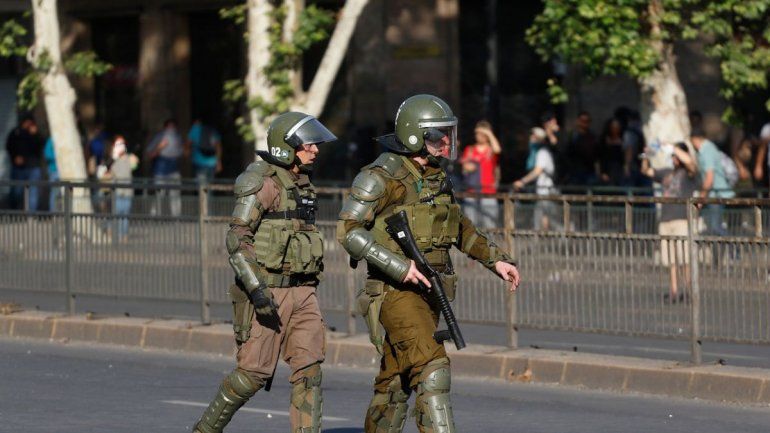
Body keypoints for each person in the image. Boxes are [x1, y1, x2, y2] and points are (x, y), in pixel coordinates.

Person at [337, 94, 520, 433]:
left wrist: (497, 261)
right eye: (438, 134)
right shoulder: (382, 176)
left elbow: (460, 228)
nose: (447, 141)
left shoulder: (436, 176)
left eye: (448, 133)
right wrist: (399, 266)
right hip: (393, 293)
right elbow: (347, 231)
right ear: (414, 136)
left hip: (430, 292)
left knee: (394, 385)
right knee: (433, 370)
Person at [192, 112, 337, 433]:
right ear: (288, 146)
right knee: (252, 375)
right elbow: (237, 237)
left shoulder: (302, 182)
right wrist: (256, 289)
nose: (315, 150)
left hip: (304, 292)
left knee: (310, 373)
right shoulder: (263, 181)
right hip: (268, 291)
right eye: (309, 144)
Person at [641, 142, 698, 303]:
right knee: (671, 260)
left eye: (675, 156)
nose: (673, 158)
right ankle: (674, 291)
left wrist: (673, 147)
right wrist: (647, 155)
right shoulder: (667, 172)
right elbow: (646, 170)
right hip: (666, 219)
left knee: (685, 259)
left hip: (682, 219)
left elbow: (690, 162)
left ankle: (689, 291)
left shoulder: (689, 174)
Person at [691, 128, 735, 236]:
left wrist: (701, 199)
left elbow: (709, 177)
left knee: (716, 227)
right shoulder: (706, 150)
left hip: (717, 194)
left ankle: (735, 250)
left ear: (695, 139)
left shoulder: (707, 150)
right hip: (713, 194)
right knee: (714, 227)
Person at [459, 120, 501, 228]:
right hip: (472, 191)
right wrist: (468, 167)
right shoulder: (470, 149)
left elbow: (498, 149)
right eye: (477, 133)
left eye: (482, 134)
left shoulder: (491, 150)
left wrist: (489, 133)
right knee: (472, 226)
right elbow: (464, 166)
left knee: (490, 225)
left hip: (488, 192)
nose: (479, 136)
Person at [101, 136, 138, 241]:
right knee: (115, 213)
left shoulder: (129, 158)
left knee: (124, 215)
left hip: (126, 192)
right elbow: (106, 174)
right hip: (117, 192)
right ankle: (111, 231)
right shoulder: (112, 160)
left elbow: (134, 165)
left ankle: (124, 235)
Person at [146, 119, 184, 216]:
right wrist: (160, 147)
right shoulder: (159, 137)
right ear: (165, 128)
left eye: (173, 127)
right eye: (169, 127)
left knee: (175, 194)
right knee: (159, 193)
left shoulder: (178, 137)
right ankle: (156, 215)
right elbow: (149, 154)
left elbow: (182, 153)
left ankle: (176, 217)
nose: (171, 129)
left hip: (174, 169)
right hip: (160, 169)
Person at [6, 116, 44, 211]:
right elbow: (9, 146)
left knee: (33, 192)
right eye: (27, 122)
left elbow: (41, 146)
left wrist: (35, 135)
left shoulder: (35, 134)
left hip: (33, 167)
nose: (29, 125)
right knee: (16, 191)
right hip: (18, 168)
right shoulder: (15, 132)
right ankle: (13, 213)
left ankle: (32, 214)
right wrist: (14, 157)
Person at [565, 110, 599, 186]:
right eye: (582, 121)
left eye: (587, 121)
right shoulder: (572, 137)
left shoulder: (593, 138)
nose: (584, 123)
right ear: (578, 121)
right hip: (574, 172)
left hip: (589, 172)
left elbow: (597, 156)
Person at [187, 118, 222, 183]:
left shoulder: (194, 130)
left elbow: (188, 145)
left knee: (202, 186)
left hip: (199, 162)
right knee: (210, 185)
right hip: (212, 162)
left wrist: (188, 156)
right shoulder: (213, 131)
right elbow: (218, 147)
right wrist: (218, 162)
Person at [599, 117, 625, 185]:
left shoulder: (623, 139)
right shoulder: (604, 140)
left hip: (620, 169)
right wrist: (603, 172)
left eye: (617, 126)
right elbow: (601, 158)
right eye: (614, 126)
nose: (616, 128)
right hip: (608, 169)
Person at [43, 137, 61, 212]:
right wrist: (60, 156)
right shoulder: (51, 140)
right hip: (55, 170)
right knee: (55, 192)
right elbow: (47, 154)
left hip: (65, 170)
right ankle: (54, 213)